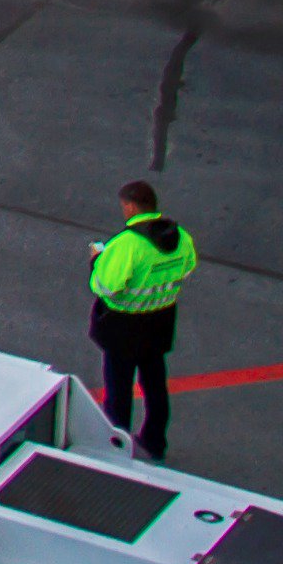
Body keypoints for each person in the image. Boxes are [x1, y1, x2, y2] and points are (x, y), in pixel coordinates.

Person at [89, 178, 198, 459]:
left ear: (131, 206)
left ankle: (117, 446)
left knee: (119, 391)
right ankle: (154, 441)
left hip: (124, 326)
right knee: (155, 386)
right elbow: (187, 269)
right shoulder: (181, 237)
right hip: (159, 321)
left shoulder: (127, 245)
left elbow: (106, 287)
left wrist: (97, 261)